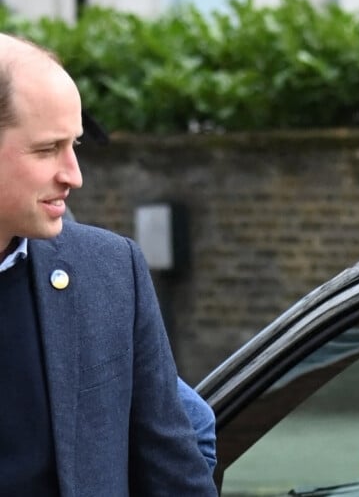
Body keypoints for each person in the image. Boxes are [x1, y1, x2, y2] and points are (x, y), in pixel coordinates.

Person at [0, 32, 218, 495]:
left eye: (74, 145)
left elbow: (179, 456)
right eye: (46, 150)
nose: (73, 175)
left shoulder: (110, 270)